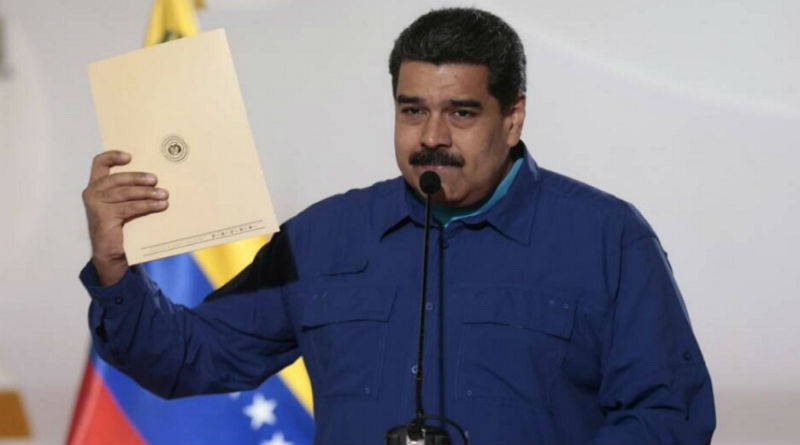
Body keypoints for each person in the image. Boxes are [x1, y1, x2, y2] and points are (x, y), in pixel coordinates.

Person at [80, 7, 715, 444]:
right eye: (413, 111)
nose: (431, 136)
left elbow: (669, 415)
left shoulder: (606, 238)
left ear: (512, 118)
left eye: (460, 113)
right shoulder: (324, 237)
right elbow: (190, 357)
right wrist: (114, 268)